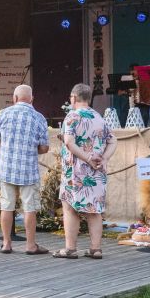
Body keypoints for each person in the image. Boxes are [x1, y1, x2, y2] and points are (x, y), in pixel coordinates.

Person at [54, 84, 115, 259]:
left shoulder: (72, 116)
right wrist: (104, 158)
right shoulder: (99, 117)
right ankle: (95, 249)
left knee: (70, 208)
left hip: (75, 170)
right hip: (97, 170)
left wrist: (87, 157)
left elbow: (69, 142)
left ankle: (70, 248)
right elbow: (113, 141)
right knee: (94, 210)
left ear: (73, 97)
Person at [0, 84, 50, 255]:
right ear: (32, 99)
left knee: (6, 206)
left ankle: (6, 244)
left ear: (14, 98)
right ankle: (31, 245)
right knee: (29, 208)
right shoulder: (39, 118)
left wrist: (7, 150)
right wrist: (32, 150)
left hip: (6, 168)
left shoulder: (4, 114)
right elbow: (45, 148)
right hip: (28, 170)